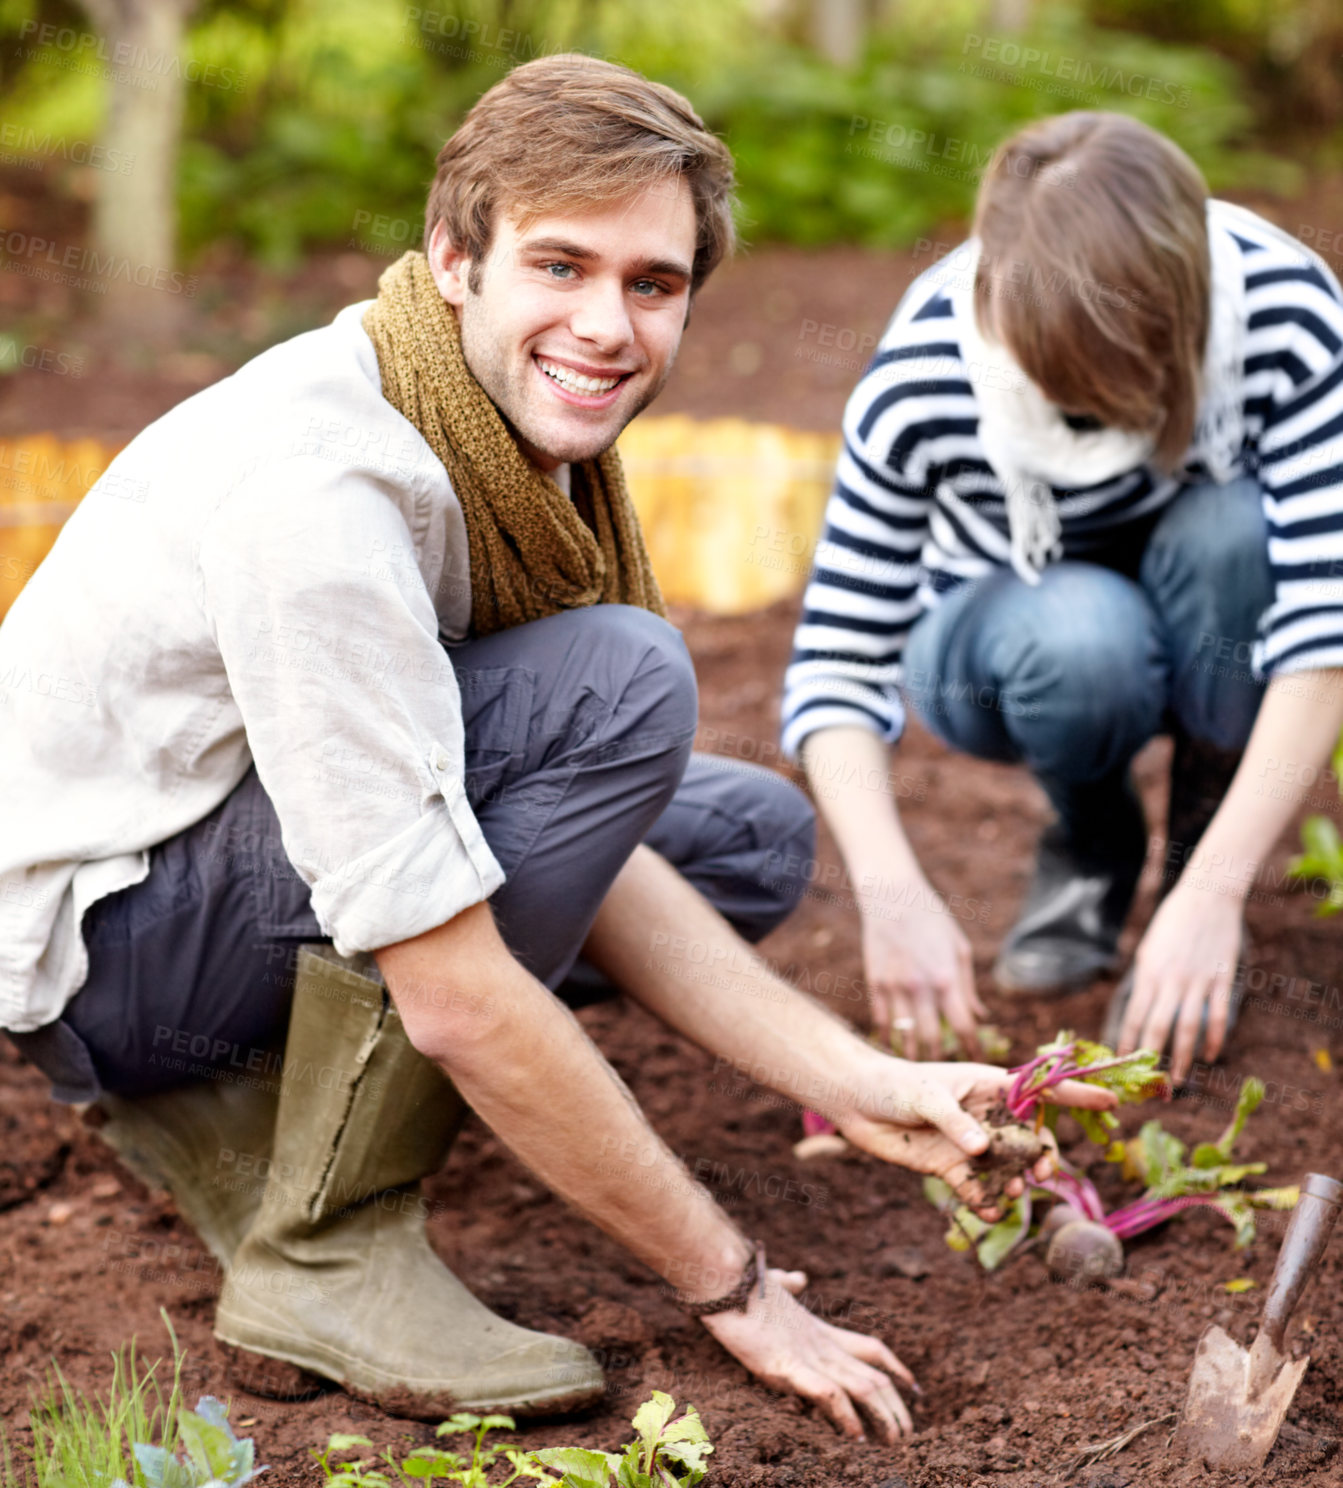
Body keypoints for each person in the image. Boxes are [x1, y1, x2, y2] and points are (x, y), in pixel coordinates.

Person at [0, 56, 1111, 1445]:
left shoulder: (486, 431)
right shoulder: (330, 500)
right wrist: (735, 1285)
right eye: (560, 266)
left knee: (738, 838)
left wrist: (862, 1087)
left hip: (217, 858)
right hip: (102, 948)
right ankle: (324, 1244)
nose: (607, 325)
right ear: (453, 258)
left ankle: (246, 1103)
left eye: (652, 284)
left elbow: (564, 830)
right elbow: (459, 989)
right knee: (617, 690)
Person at [783, 110, 1343, 1086]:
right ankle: (1091, 845)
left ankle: (1190, 872)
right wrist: (888, 893)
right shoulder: (923, 378)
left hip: (1206, 601)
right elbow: (836, 661)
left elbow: (1323, 621)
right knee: (1083, 635)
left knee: (1233, 537)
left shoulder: (1279, 312)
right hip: (1009, 637)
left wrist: (1212, 894)